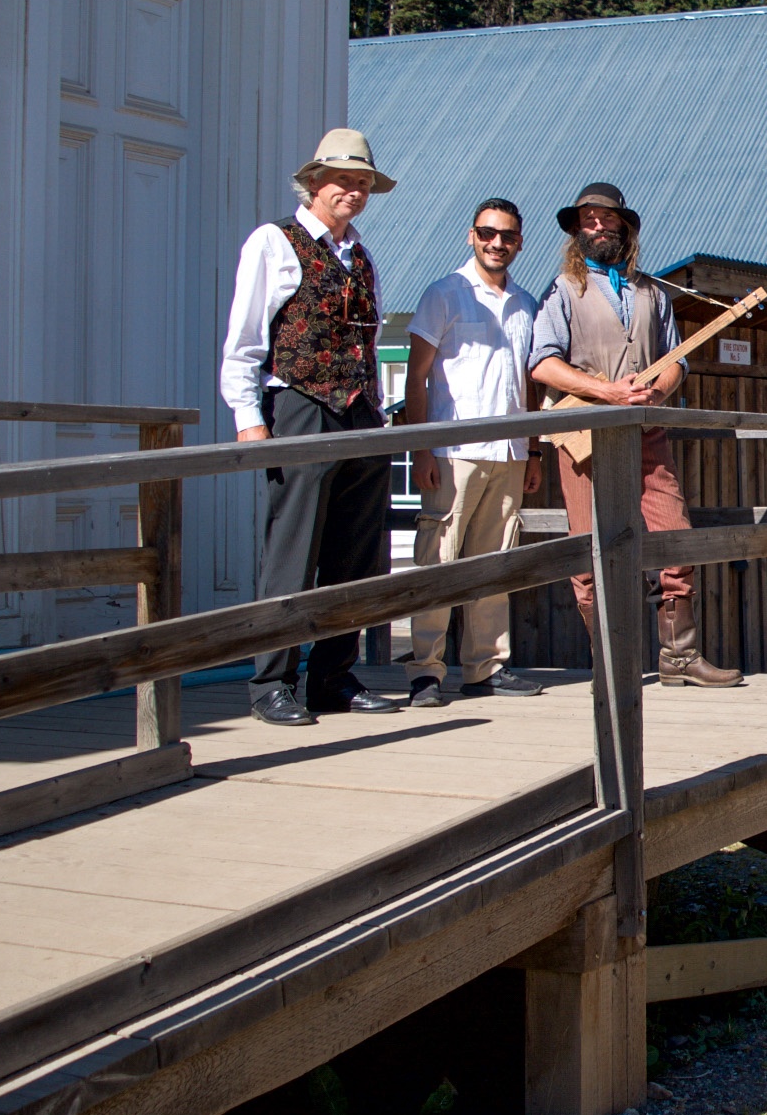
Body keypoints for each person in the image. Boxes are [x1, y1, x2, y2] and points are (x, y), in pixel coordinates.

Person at [527, 183, 743, 687]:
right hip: (583, 433)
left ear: (625, 226)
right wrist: (605, 393)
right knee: (587, 550)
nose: (597, 227)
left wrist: (659, 391)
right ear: (577, 230)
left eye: (606, 218)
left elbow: (677, 360)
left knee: (674, 538)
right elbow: (543, 365)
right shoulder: (563, 290)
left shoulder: (652, 292)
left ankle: (679, 658)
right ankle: (611, 664)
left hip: (646, 431)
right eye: (587, 220)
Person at [221, 128, 402, 726]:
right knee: (293, 550)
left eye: (363, 183)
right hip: (300, 404)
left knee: (355, 553)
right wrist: (250, 422)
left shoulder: (362, 255)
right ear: (314, 183)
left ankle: (334, 675)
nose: (354, 191)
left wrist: (373, 410)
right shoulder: (274, 242)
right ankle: (271, 681)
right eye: (344, 180)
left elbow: (368, 344)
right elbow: (246, 342)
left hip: (360, 411)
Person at [396, 198, 548, 709]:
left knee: (495, 564)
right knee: (436, 561)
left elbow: (527, 387)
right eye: (487, 233)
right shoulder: (444, 293)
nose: (496, 243)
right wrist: (421, 448)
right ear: (471, 235)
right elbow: (416, 377)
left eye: (506, 235)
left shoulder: (527, 303)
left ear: (519, 242)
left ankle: (486, 668)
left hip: (507, 453)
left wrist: (532, 451)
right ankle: (424, 671)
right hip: (452, 449)